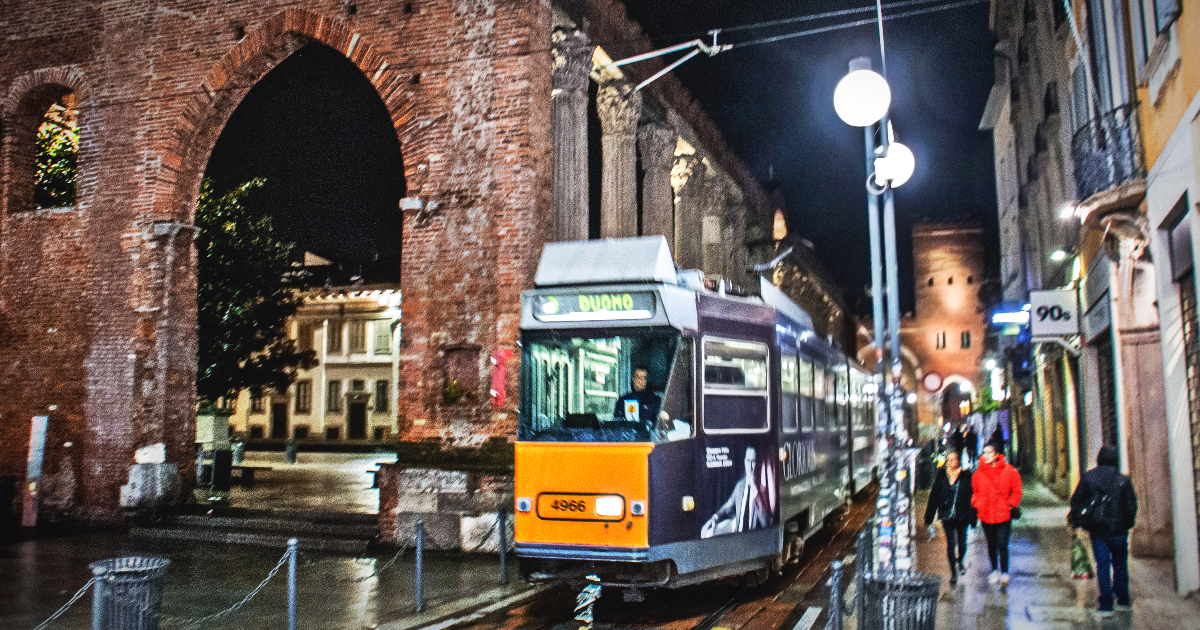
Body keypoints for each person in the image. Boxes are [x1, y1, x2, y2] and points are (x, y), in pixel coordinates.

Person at [1069, 445, 1138, 613]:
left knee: (1102, 564)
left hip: (1098, 530)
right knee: (1120, 564)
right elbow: (1131, 506)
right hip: (1119, 530)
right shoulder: (1123, 480)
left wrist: (1082, 521)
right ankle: (1122, 598)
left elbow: (1076, 500)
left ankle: (1105, 602)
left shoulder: (1088, 478)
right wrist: (1127, 524)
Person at [971, 442, 1022, 586]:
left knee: (1002, 543)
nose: (986, 456)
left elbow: (1017, 489)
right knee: (991, 544)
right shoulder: (978, 474)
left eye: (989, 452)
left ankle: (1005, 572)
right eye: (984, 452)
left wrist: (1011, 504)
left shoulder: (1009, 471)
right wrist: (977, 503)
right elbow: (975, 492)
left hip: (1003, 514)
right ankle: (994, 570)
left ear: (997, 454)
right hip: (986, 513)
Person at [924, 451, 975, 586]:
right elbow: (934, 496)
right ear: (947, 462)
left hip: (962, 514)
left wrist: (973, 516)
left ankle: (960, 560)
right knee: (951, 544)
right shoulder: (941, 477)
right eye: (950, 460)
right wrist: (929, 517)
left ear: (959, 461)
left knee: (962, 543)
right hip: (947, 515)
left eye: (955, 459)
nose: (952, 462)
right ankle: (953, 572)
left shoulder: (965, 476)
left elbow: (972, 497)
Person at [701, 445, 772, 538]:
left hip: (751, 535)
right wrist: (714, 518)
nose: (750, 465)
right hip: (735, 527)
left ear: (757, 463)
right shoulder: (739, 485)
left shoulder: (762, 490)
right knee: (706, 533)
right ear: (744, 462)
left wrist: (754, 489)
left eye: (753, 461)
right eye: (748, 460)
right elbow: (728, 505)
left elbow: (765, 522)